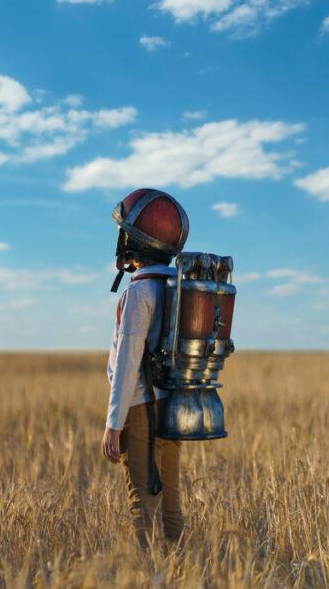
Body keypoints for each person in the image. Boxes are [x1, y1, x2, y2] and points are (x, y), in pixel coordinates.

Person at [100, 188, 189, 549]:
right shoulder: (177, 287)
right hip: (172, 406)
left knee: (141, 502)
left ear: (135, 240)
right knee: (170, 502)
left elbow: (126, 362)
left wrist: (113, 425)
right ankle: (183, 575)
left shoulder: (138, 293)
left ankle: (151, 577)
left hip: (140, 410)